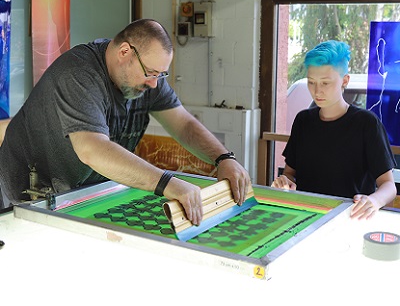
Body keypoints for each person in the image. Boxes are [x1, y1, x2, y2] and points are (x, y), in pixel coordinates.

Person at [0, 19, 251, 225]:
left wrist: (223, 158)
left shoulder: (147, 79)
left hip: (84, 191)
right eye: (151, 74)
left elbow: (183, 124)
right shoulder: (79, 74)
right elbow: (92, 150)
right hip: (28, 194)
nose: (154, 84)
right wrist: (168, 183)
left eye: (160, 75)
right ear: (124, 52)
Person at [272, 40, 397, 220]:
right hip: (304, 216)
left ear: (344, 81)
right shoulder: (303, 121)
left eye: (325, 83)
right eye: (311, 82)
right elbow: (290, 174)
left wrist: (374, 201)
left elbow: (388, 185)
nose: (317, 91)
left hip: (349, 217)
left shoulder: (367, 123)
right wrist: (285, 182)